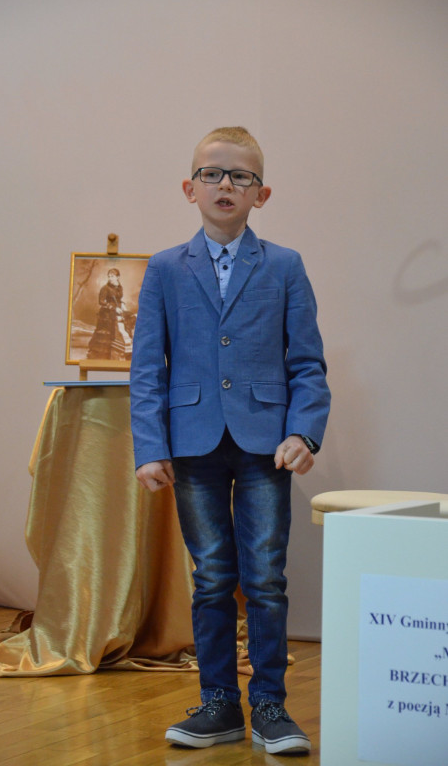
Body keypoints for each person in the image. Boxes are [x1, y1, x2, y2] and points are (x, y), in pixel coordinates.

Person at [130, 126, 330, 755]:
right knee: (213, 574)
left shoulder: (284, 265)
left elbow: (307, 364)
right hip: (192, 441)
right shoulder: (164, 268)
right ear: (188, 188)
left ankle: (270, 704)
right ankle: (218, 702)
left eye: (241, 176)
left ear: (260, 194)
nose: (226, 184)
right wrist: (149, 446)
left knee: (265, 575)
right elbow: (147, 367)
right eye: (212, 174)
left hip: (266, 441)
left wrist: (304, 431)